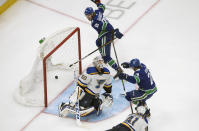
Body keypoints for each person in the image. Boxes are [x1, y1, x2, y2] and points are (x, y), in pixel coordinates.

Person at [84, 0, 123, 74]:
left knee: (107, 56)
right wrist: (97, 2)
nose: (87, 17)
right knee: (97, 42)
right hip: (106, 33)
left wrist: (114, 33)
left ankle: (118, 69)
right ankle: (104, 58)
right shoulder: (97, 11)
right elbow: (102, 7)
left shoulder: (94, 22)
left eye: (88, 15)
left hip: (106, 34)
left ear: (92, 13)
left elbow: (105, 27)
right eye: (86, 15)